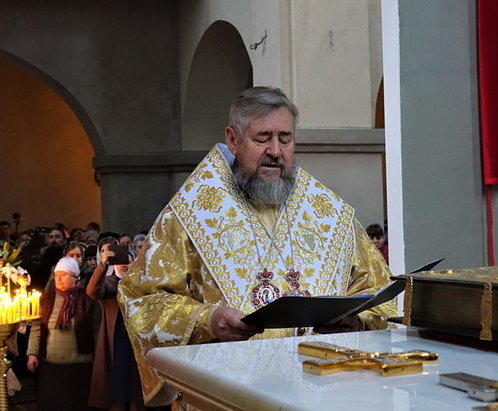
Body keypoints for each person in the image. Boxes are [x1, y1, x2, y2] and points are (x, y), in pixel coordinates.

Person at [118, 86, 396, 406]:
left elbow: (379, 292)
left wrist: (355, 321)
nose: (276, 151)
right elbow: (139, 298)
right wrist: (206, 319)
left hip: (320, 394)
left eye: (285, 139)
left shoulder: (329, 214)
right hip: (223, 396)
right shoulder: (189, 215)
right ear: (233, 140)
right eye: (263, 138)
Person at [26, 257, 95, 410]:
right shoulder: (46, 299)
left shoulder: (87, 299)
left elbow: (96, 329)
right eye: (56, 275)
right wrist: (32, 353)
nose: (58, 278)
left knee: (76, 404)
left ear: (75, 278)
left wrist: (98, 357)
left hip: (79, 365)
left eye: (64, 275)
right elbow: (37, 328)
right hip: (51, 364)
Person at [87, 241, 144, 410]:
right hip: (116, 343)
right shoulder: (108, 283)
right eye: (119, 261)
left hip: (136, 342)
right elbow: (91, 291)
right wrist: (103, 264)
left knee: (136, 388)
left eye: (128, 261)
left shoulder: (140, 285)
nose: (124, 265)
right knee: (117, 386)